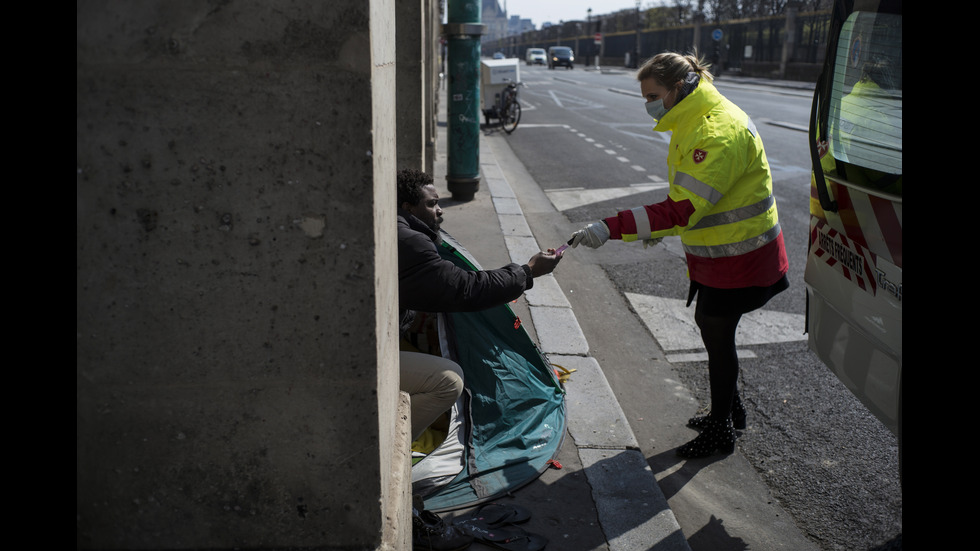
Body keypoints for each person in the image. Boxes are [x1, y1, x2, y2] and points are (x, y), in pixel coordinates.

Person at [569, 51, 789, 459]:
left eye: (653, 95)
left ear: (680, 87)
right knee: (712, 327)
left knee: (717, 332)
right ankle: (731, 411)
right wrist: (656, 227)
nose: (648, 104)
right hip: (722, 255)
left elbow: (682, 209)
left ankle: (723, 427)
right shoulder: (692, 119)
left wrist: (611, 226)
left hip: (742, 257)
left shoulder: (715, 132)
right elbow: (688, 205)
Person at [397, 167, 562, 443]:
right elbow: (467, 289)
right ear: (408, 207)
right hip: (360, 356)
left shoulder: (401, 229)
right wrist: (529, 271)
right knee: (450, 381)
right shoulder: (411, 242)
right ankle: (388, 447)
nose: (440, 211)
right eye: (432, 203)